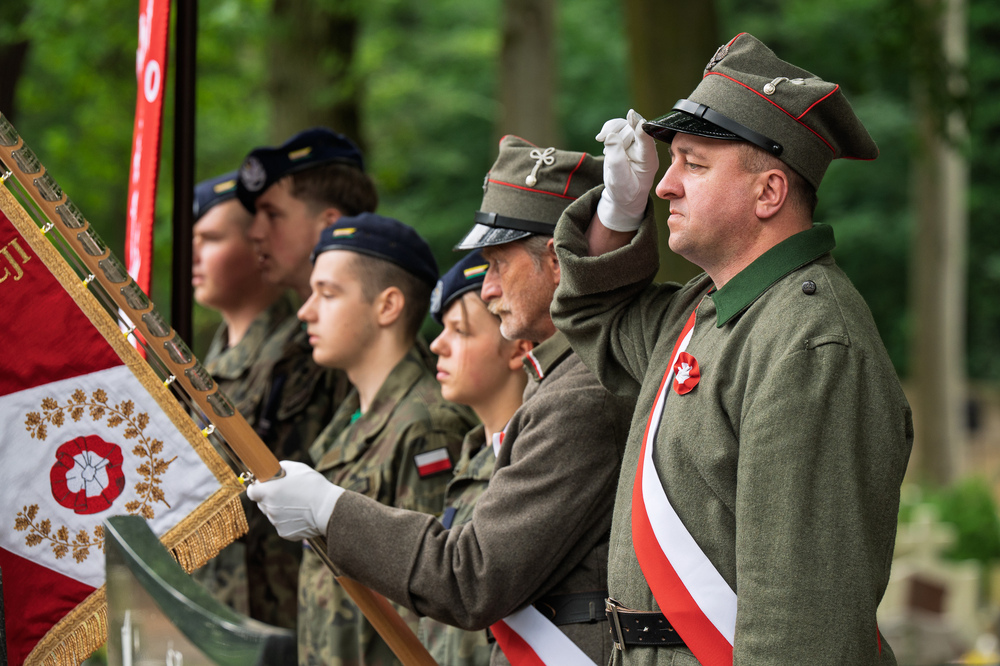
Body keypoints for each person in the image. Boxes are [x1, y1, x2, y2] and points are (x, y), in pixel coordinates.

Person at [549, 33, 913, 665]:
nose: (665, 187)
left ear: (768, 192)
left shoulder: (811, 343)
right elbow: (590, 311)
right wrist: (616, 210)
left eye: (693, 163)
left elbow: (804, 627)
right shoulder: (707, 310)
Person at [248, 135, 634, 666]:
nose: (489, 287)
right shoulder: (561, 381)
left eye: (498, 264)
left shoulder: (581, 395)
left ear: (556, 261)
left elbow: (471, 577)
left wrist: (328, 508)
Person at [292, 212, 476, 665]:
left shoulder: (427, 425)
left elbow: (430, 600)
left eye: (328, 294)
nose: (305, 311)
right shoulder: (353, 419)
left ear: (388, 306)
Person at [229, 127, 377, 628]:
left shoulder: (366, 351)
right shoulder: (287, 349)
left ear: (327, 224)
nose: (255, 233)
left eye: (273, 215)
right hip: (280, 618)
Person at [189, 170, 294, 620]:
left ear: (258, 246)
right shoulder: (204, 367)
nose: (194, 254)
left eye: (210, 239)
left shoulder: (301, 355)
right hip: (216, 612)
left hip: (280, 618)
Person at [419, 249, 532, 666]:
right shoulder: (471, 457)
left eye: (461, 331)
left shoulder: (535, 460)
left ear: (519, 348)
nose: (437, 345)